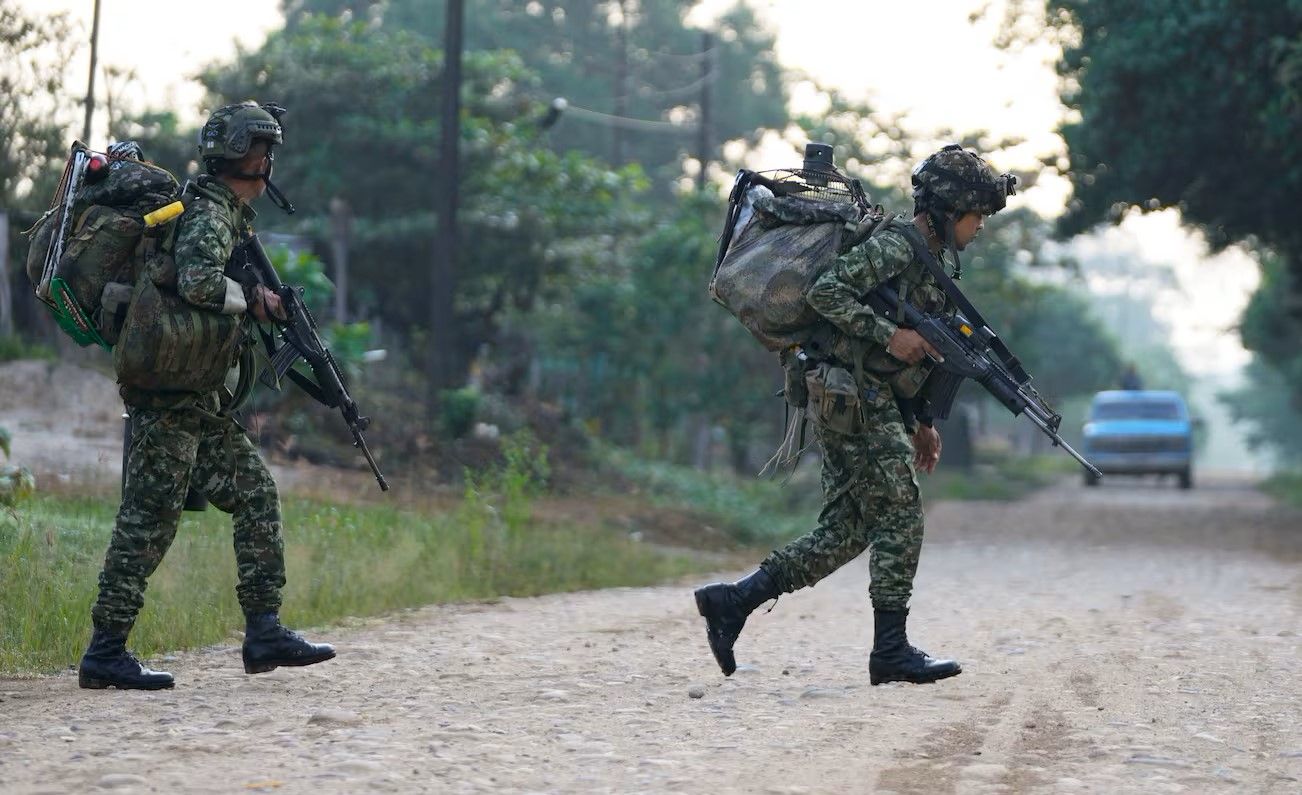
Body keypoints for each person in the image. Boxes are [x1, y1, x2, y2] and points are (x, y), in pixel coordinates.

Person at [694, 145, 1016, 685]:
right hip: (851, 396)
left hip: (865, 396)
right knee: (901, 512)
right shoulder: (897, 246)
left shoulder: (928, 262)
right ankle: (889, 651)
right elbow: (827, 292)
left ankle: (734, 601)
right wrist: (891, 334)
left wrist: (922, 421)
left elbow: (918, 349)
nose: (979, 227)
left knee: (849, 527)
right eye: (975, 216)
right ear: (946, 210)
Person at [79, 102, 334, 690]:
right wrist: (256, 300)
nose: (267, 161)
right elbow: (196, 282)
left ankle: (264, 631)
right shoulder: (211, 216)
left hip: (198, 400)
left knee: (256, 494)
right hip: (170, 399)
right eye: (261, 151)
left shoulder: (226, 214)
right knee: (149, 520)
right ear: (245, 156)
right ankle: (105, 651)